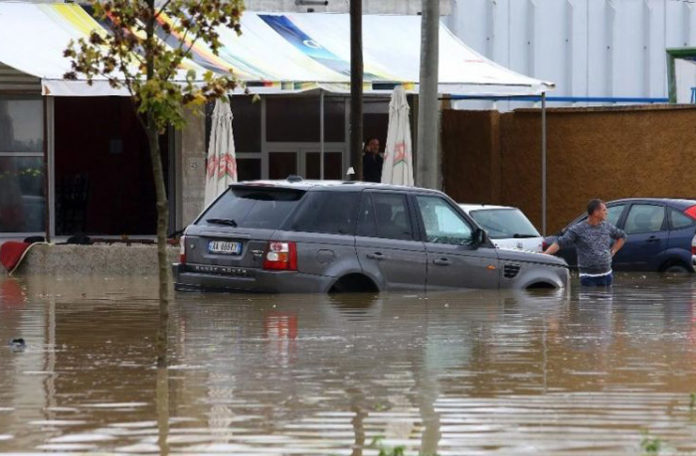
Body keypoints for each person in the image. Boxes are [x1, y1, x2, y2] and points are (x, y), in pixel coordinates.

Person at [544, 199, 626, 287]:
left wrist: (613, 251)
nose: (607, 213)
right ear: (596, 212)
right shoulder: (578, 229)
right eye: (604, 210)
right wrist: (545, 255)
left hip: (607, 276)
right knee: (588, 300)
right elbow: (560, 242)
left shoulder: (607, 226)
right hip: (588, 277)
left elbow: (622, 236)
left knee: (606, 299)